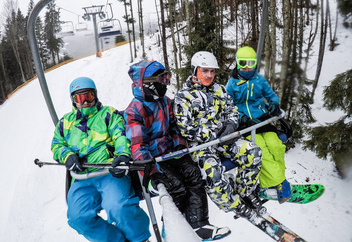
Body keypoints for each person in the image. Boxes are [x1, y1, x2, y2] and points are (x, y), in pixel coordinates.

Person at [123, 60, 230, 241]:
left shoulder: (165, 102)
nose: (166, 83)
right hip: (153, 161)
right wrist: (152, 171)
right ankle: (172, 231)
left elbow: (174, 127)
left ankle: (199, 225)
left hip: (171, 153)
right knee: (176, 187)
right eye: (162, 79)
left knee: (195, 175)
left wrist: (179, 144)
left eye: (167, 78)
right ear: (148, 83)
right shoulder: (135, 110)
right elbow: (137, 145)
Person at [51, 77, 151, 242]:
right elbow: (57, 145)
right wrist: (67, 156)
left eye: (88, 96)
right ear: (73, 100)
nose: (84, 102)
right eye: (79, 98)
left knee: (119, 207)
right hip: (83, 177)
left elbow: (119, 135)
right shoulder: (65, 123)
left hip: (108, 172)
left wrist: (122, 155)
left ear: (95, 95)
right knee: (78, 218)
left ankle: (140, 238)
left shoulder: (108, 114)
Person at [173, 51, 263, 219]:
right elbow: (186, 128)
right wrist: (214, 133)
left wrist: (230, 125)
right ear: (195, 70)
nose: (209, 75)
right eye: (205, 71)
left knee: (253, 152)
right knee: (212, 172)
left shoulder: (219, 90)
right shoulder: (183, 96)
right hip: (201, 146)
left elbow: (233, 111)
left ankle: (245, 191)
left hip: (225, 140)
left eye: (212, 71)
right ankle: (233, 204)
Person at [226, 46, 291, 203]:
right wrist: (241, 118)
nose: (247, 67)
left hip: (262, 119)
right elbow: (228, 106)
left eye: (251, 63)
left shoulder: (259, 80)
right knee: (261, 149)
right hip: (246, 125)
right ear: (237, 64)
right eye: (243, 64)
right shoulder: (232, 84)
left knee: (276, 145)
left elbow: (271, 95)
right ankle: (279, 183)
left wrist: (274, 104)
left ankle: (276, 180)